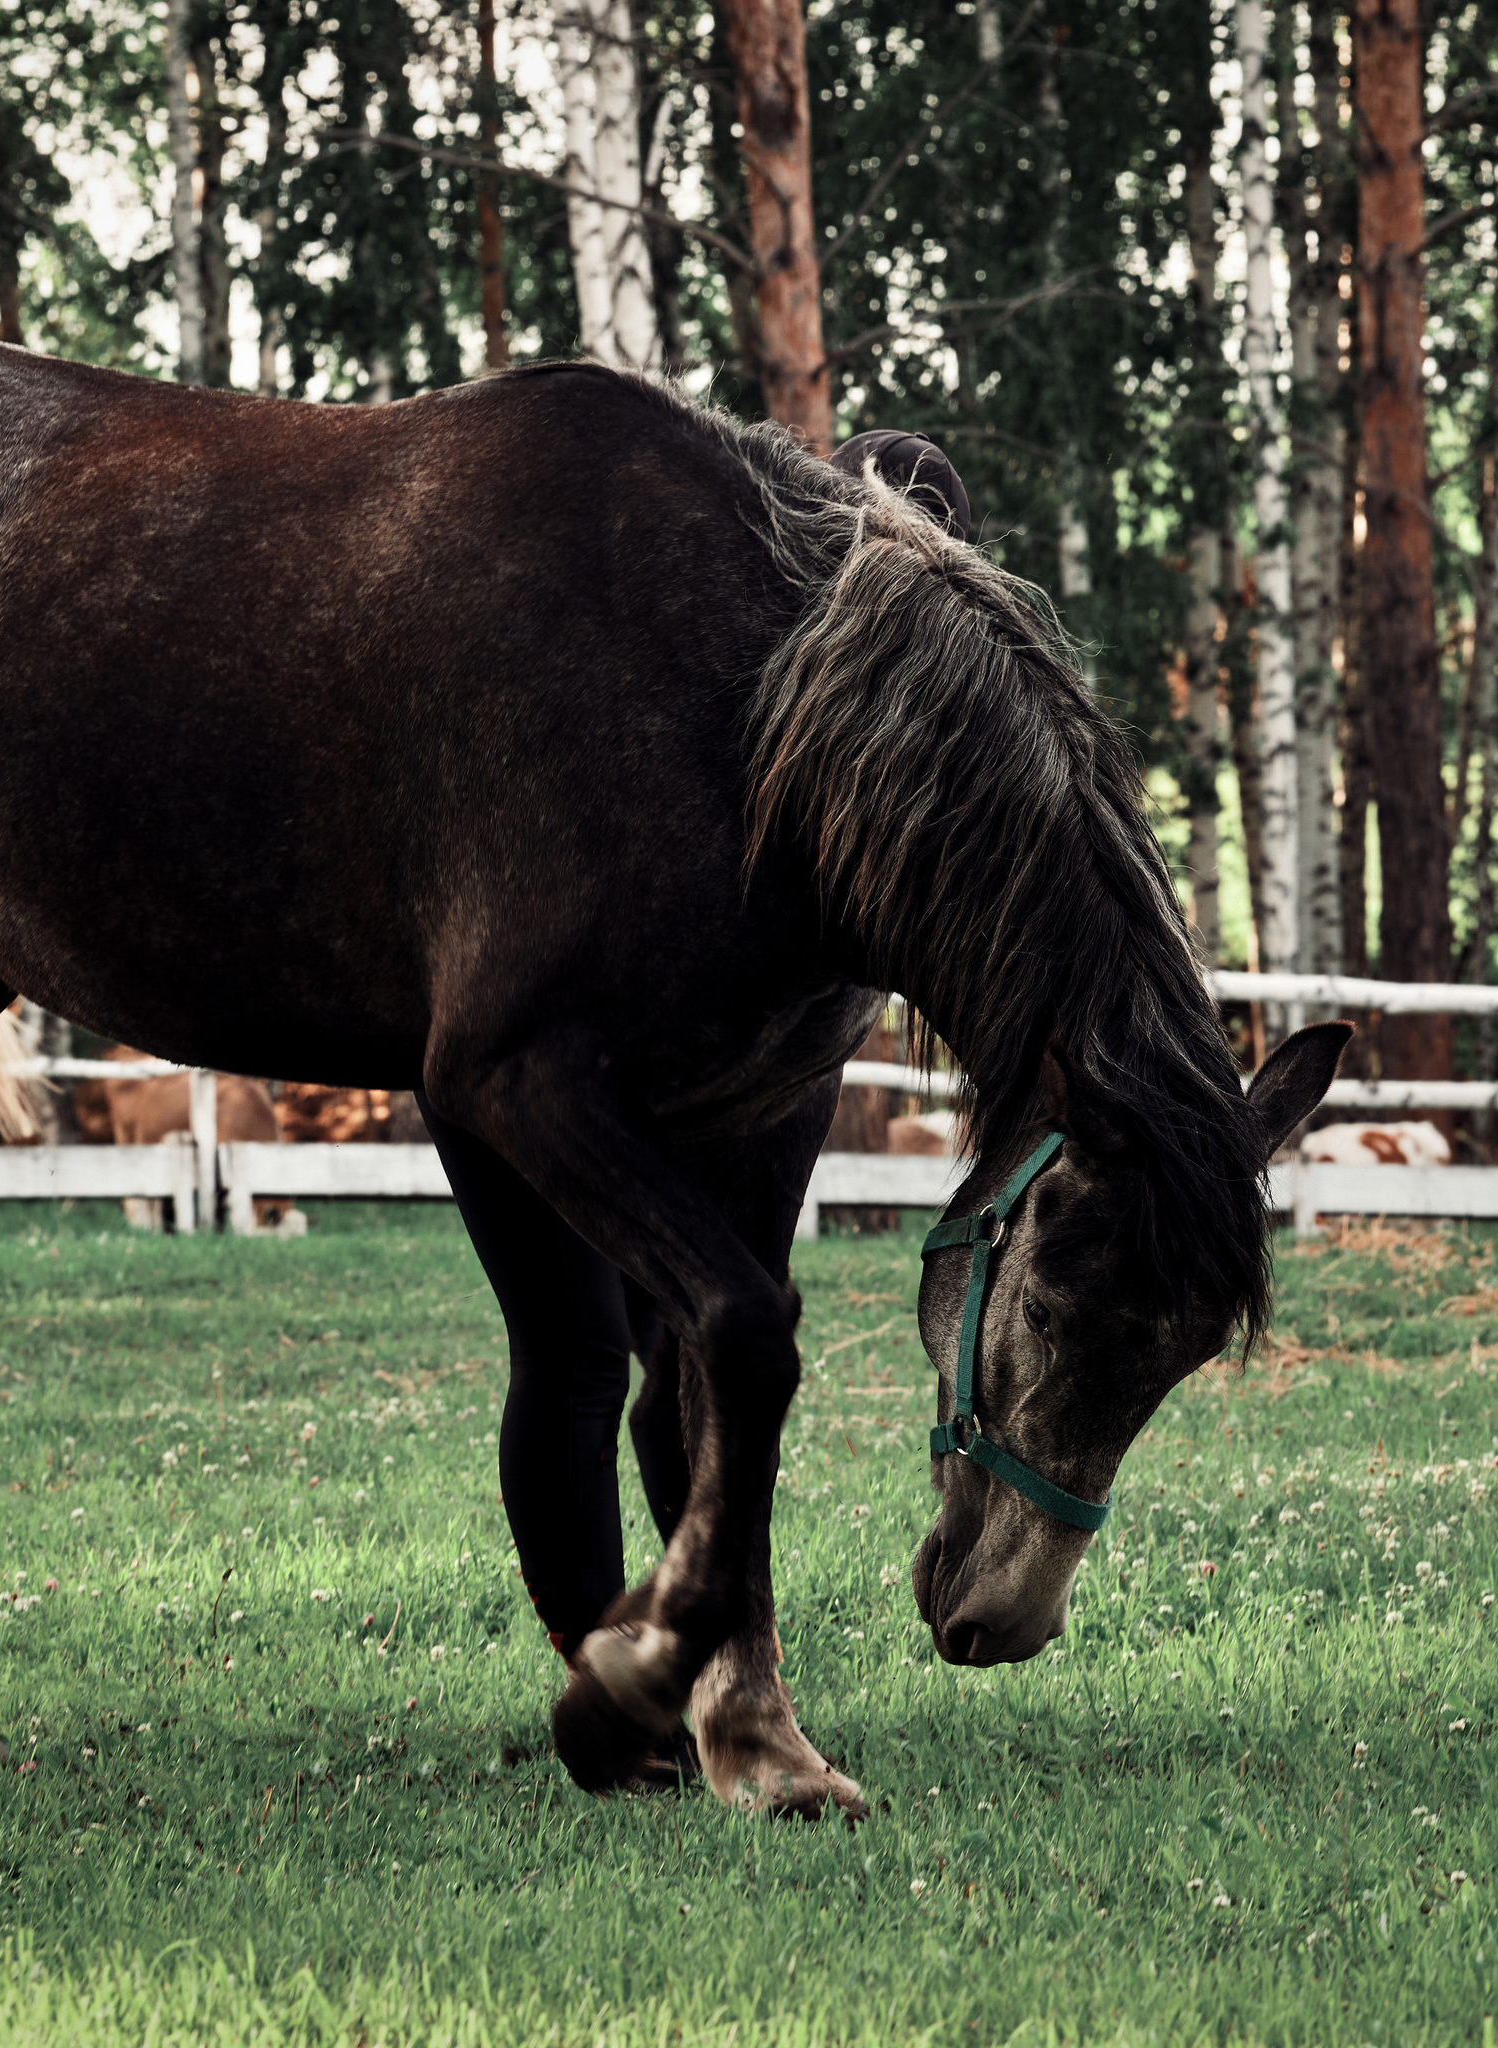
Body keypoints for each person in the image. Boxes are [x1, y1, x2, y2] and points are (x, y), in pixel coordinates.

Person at [417, 428, 971, 1785]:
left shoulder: (892, 769)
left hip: (728, 1061)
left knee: (687, 1356)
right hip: (541, 1050)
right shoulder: (699, 686)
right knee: (576, 1348)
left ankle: (712, 1672)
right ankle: (608, 1673)